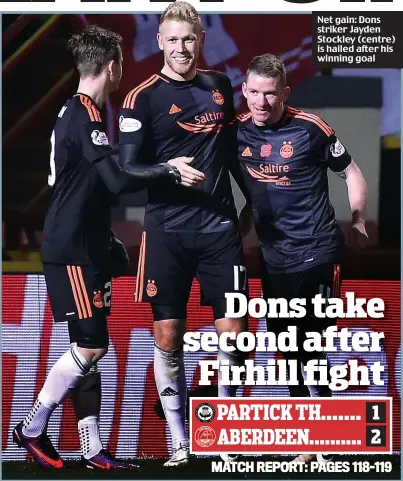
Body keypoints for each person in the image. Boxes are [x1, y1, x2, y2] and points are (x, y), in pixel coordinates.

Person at [13, 25, 202, 470]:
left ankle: (92, 449)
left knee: (89, 351)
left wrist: (109, 238)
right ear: (112, 67)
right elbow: (115, 181)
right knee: (91, 345)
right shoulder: (86, 115)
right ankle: (33, 426)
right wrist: (168, 170)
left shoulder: (76, 111)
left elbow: (91, 183)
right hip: (72, 248)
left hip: (90, 245)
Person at [119, 2, 249, 467]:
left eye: (189, 39)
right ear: (159, 42)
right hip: (167, 233)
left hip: (219, 231)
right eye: (172, 40)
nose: (181, 48)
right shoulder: (141, 98)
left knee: (233, 334)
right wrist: (169, 170)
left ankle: (228, 435)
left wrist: (254, 204)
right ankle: (180, 442)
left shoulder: (219, 87)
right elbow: (127, 169)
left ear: (201, 40)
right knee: (169, 335)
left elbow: (233, 153)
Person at [237, 53, 369, 463]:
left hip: (318, 250)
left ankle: (321, 436)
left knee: (308, 343)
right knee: (286, 347)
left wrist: (359, 219)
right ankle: (309, 439)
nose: (261, 102)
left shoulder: (311, 128)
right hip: (274, 258)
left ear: (285, 93)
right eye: (254, 92)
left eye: (270, 94)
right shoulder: (236, 133)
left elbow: (351, 171)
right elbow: (249, 200)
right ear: (244, 90)